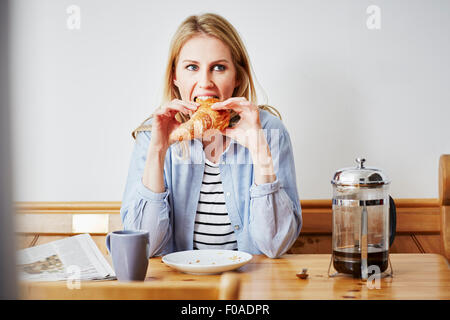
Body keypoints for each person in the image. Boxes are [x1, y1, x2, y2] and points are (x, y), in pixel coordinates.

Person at [120, 13, 302, 258]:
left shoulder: (269, 131)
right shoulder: (153, 133)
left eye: (218, 67)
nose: (205, 82)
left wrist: (259, 151)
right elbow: (145, 246)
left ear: (237, 76)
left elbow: (275, 245)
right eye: (192, 67)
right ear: (175, 76)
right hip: (179, 286)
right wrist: (158, 151)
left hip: (250, 286)